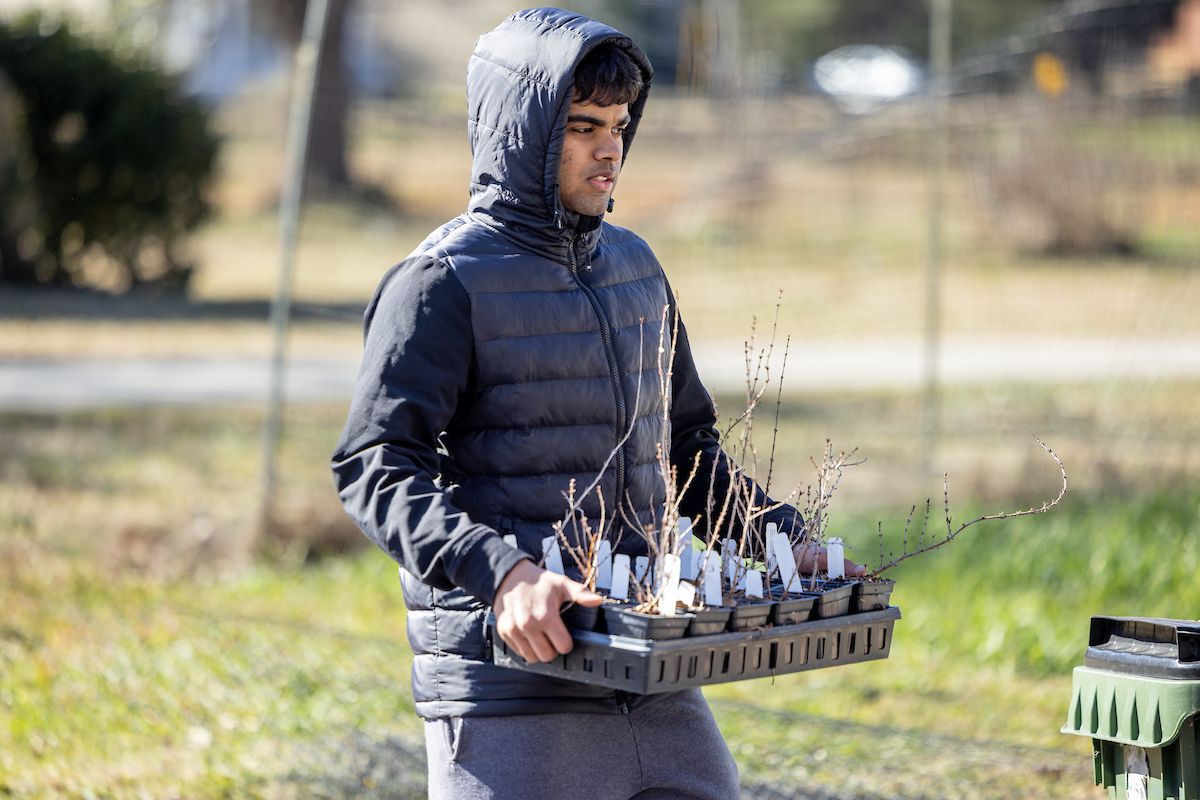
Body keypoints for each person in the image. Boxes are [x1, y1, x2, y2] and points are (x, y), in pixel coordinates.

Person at [332, 8, 863, 799]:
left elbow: (686, 453)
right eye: (582, 126)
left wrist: (784, 542)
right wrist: (503, 574)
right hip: (511, 691)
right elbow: (375, 468)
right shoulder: (441, 282)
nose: (610, 147)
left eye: (618, 124)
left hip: (653, 675)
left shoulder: (637, 267)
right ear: (524, 132)